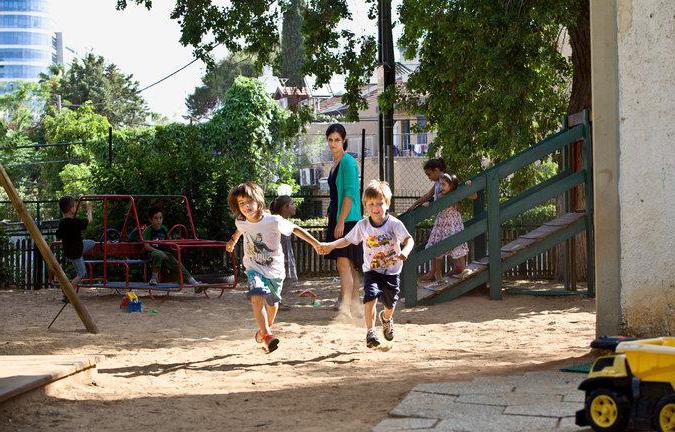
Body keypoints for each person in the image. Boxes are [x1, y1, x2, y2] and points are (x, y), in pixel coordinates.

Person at [225, 182, 322, 353]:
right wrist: (232, 241)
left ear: (258, 201)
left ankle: (265, 329)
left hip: (275, 270)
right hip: (254, 267)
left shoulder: (274, 220)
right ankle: (267, 335)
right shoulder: (241, 221)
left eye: (249, 201)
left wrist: (316, 243)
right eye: (241, 203)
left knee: (273, 303)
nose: (246, 206)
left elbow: (296, 229)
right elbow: (239, 230)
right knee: (257, 295)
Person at [319, 181, 414, 348]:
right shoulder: (362, 225)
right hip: (372, 270)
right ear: (365, 206)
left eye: (379, 203)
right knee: (370, 297)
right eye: (371, 204)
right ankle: (370, 332)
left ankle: (386, 318)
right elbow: (347, 240)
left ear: (387, 204)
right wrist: (331, 245)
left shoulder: (394, 224)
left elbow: (409, 240)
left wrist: (405, 251)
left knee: (390, 304)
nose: (375, 207)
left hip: (392, 271)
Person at [324, 123, 363, 318]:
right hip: (340, 218)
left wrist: (340, 221)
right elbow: (336, 195)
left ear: (344, 140)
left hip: (347, 220)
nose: (333, 143)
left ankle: (346, 306)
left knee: (344, 264)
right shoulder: (336, 162)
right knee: (349, 264)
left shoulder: (347, 161)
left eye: (337, 140)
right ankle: (355, 306)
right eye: (330, 140)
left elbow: (349, 195)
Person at [424, 173, 477, 281]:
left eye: (443, 184)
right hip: (441, 223)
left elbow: (474, 196)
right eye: (440, 184)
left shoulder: (455, 193)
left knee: (457, 243)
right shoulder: (439, 194)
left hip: (453, 223)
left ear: (451, 186)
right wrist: (428, 205)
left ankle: (462, 270)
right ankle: (438, 274)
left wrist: (468, 186)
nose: (441, 187)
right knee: (437, 245)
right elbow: (434, 204)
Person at [142, 206, 201, 286]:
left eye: (160, 218)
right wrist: (158, 251)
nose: (159, 220)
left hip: (164, 253)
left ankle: (194, 282)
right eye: (156, 218)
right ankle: (153, 278)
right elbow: (146, 246)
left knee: (178, 264)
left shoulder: (163, 229)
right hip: (151, 254)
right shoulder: (148, 230)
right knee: (158, 255)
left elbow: (169, 242)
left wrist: (177, 243)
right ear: (150, 220)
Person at [56, 196, 94, 292]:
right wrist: (89, 209)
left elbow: (58, 235)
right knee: (82, 273)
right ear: (72, 209)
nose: (76, 208)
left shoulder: (62, 223)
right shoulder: (75, 222)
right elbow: (89, 220)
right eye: (75, 206)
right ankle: (68, 291)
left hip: (70, 250)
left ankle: (70, 291)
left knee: (92, 243)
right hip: (75, 253)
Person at [270, 195, 298, 283]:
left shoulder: (284, 222)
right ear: (285, 207)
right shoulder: (278, 223)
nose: (295, 206)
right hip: (279, 265)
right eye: (292, 204)